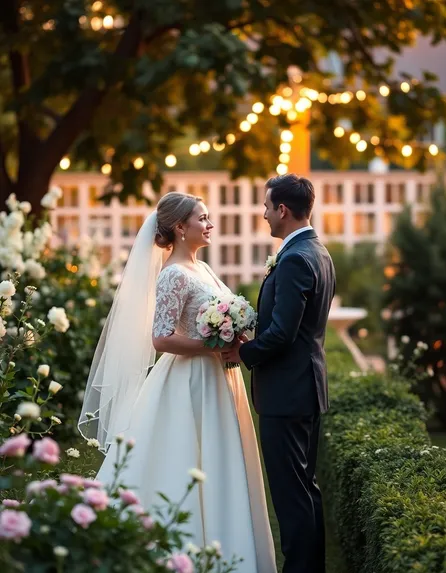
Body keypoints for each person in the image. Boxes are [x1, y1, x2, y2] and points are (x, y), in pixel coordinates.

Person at [79, 192, 276, 573]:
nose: (209, 224)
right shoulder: (173, 274)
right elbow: (162, 337)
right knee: (188, 456)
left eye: (208, 217)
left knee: (221, 458)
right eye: (202, 218)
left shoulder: (201, 269)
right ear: (180, 227)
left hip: (218, 379)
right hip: (190, 380)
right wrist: (213, 343)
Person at [223, 174, 336, 573]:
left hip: (288, 394)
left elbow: (283, 334)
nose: (263, 214)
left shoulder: (294, 259)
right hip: (303, 389)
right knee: (305, 490)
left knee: (291, 496)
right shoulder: (317, 251)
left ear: (283, 210)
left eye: (267, 206)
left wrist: (243, 351)